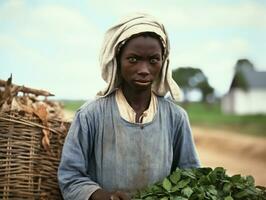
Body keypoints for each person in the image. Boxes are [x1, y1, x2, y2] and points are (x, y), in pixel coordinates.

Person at [58, 13, 200, 200]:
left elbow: (190, 175)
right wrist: (104, 197)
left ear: (163, 62)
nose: (143, 69)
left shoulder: (176, 117)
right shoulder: (90, 115)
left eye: (153, 60)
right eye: (133, 59)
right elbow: (70, 176)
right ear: (117, 59)